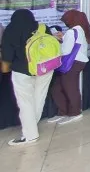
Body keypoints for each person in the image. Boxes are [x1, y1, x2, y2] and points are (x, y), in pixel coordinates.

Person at [1, 10, 53, 145]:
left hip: (22, 71)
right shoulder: (43, 27)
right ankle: (32, 126)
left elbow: (7, 57)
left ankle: (30, 135)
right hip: (45, 68)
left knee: (25, 102)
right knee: (39, 98)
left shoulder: (10, 30)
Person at [49, 10, 90, 125]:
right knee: (62, 87)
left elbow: (65, 50)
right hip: (77, 62)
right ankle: (63, 112)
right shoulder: (81, 30)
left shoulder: (72, 32)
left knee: (69, 88)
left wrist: (56, 42)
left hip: (71, 63)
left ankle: (74, 112)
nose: (66, 23)